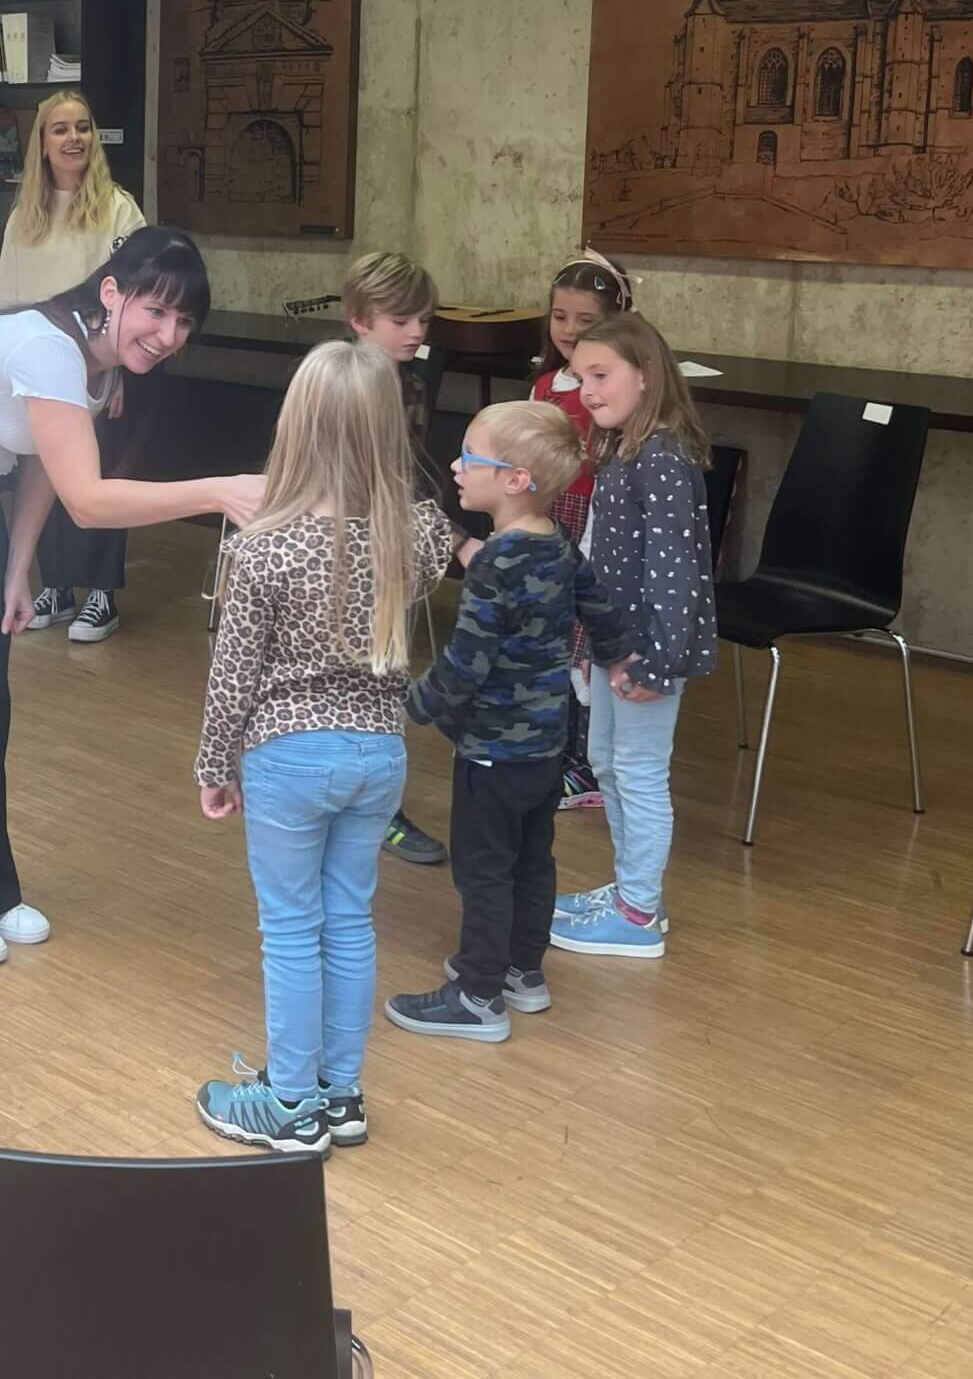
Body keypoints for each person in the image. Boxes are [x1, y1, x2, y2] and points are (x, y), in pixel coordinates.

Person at [0, 227, 263, 965]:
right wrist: (219, 490)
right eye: (157, 311)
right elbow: (87, 502)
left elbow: (41, 460)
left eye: (184, 322)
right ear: (111, 292)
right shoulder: (49, 348)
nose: (168, 336)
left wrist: (18, 567)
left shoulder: (96, 362)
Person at [192, 340, 452, 1153]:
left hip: (288, 755)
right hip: (379, 755)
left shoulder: (261, 545)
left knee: (290, 930)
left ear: (294, 426)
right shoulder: (415, 535)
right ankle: (341, 1094)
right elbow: (433, 539)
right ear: (390, 429)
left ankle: (290, 1105)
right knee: (349, 921)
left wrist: (214, 764)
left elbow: (233, 673)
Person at [384, 401, 625, 1043]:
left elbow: (467, 662)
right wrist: (619, 657)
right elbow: (600, 609)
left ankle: (477, 995)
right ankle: (523, 971)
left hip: (492, 749)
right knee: (531, 859)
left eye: (470, 456)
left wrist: (412, 705)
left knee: (483, 870)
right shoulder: (557, 543)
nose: (456, 466)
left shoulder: (496, 560)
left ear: (515, 480)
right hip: (547, 746)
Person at [550, 311, 716, 962]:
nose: (588, 391)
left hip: (645, 653)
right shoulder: (625, 450)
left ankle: (639, 913)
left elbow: (675, 575)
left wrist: (655, 662)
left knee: (640, 772)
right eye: (581, 377)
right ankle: (630, 892)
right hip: (615, 645)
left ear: (645, 375)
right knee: (610, 766)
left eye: (601, 375)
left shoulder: (663, 459)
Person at [0, 94, 146, 644]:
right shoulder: (25, 216)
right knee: (44, 471)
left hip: (99, 363)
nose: (73, 138)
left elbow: (134, 293)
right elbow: (7, 300)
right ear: (43, 142)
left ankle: (101, 593)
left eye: (83, 127)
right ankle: (56, 587)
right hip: (39, 365)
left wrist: (119, 371)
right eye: (60, 129)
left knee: (99, 473)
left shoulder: (118, 209)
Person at [340, 250, 450, 869]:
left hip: (389, 548)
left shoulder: (409, 382)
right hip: (341, 553)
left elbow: (410, 475)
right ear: (360, 320)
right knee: (355, 682)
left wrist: (445, 534)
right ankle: (361, 804)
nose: (415, 333)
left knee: (383, 680)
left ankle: (380, 807)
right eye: (400, 321)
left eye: (423, 321)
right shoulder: (338, 383)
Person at [531, 250, 632, 809]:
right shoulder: (546, 383)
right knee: (553, 637)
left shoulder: (616, 390)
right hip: (553, 521)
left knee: (585, 643)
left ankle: (589, 765)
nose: (569, 329)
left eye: (586, 320)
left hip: (595, 526)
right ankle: (559, 751)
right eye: (559, 316)